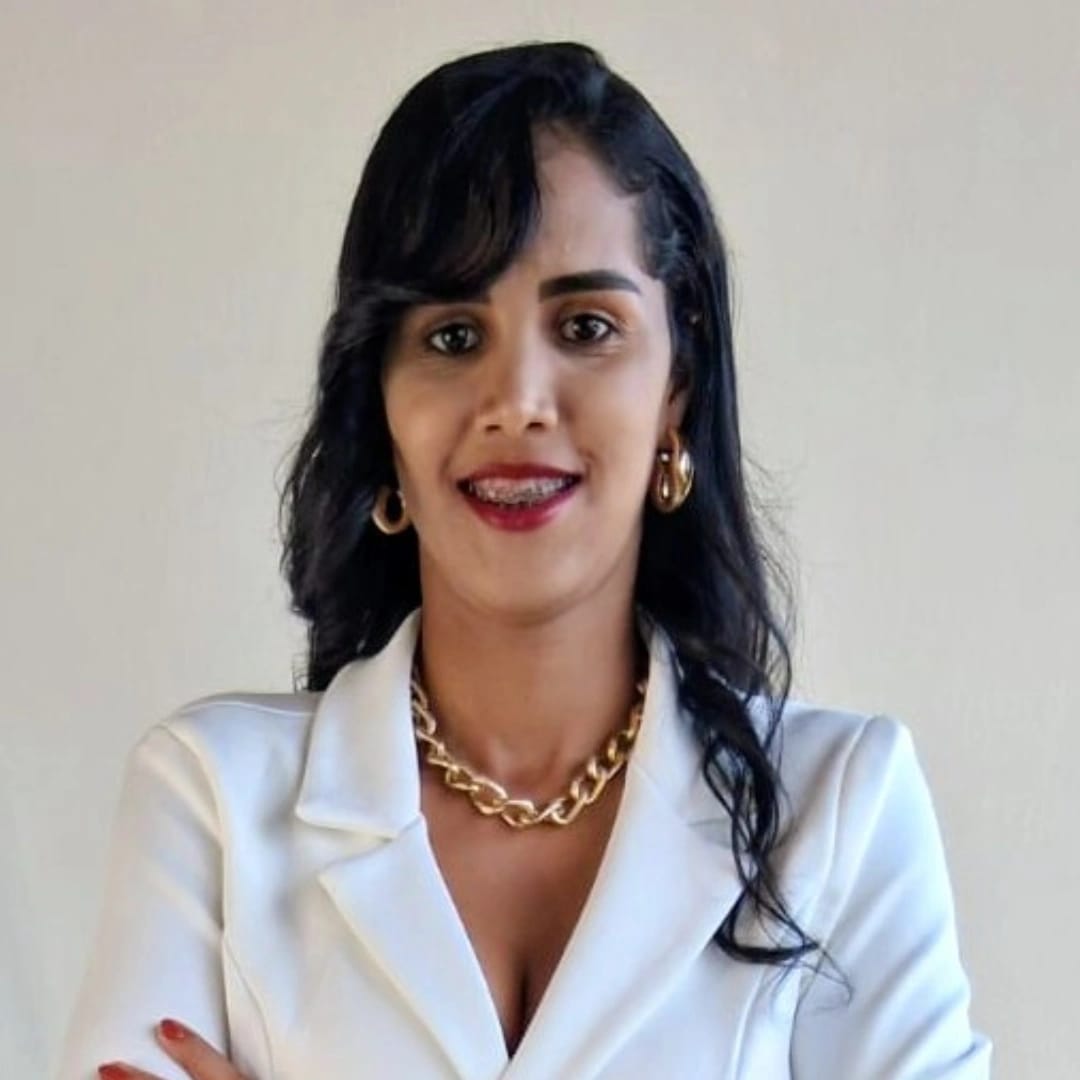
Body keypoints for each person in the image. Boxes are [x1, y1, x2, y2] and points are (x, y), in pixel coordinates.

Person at [56, 41, 991, 1080]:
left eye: (586, 326)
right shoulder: (212, 803)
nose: (517, 402)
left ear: (676, 388)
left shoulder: (842, 809)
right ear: (380, 401)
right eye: (453, 337)